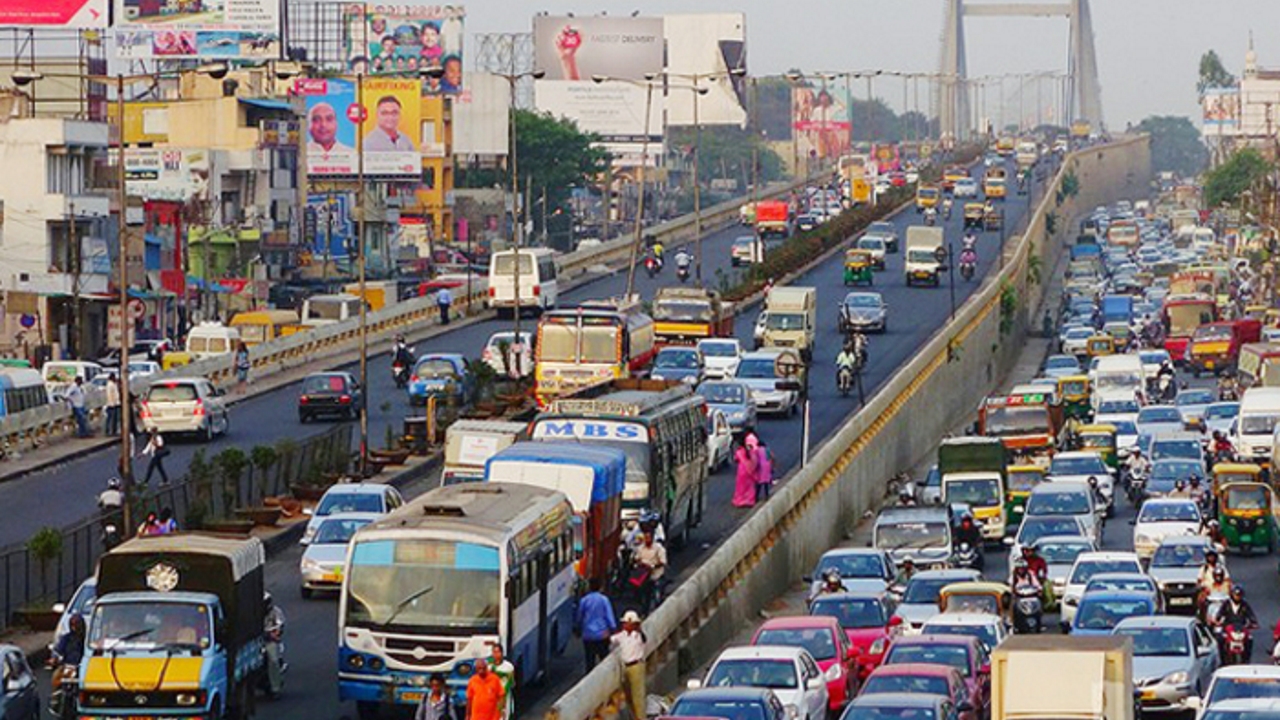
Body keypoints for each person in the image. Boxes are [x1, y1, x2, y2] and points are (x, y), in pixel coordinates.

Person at [575, 577, 617, 672]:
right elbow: (609, 617)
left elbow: (579, 616)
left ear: (589, 587)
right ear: (601, 587)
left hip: (588, 635)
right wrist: (613, 629)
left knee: (589, 661)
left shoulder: (584, 600)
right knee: (604, 661)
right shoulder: (604, 600)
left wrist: (578, 628)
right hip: (602, 635)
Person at [611, 611, 647, 720]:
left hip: (636, 666)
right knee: (628, 696)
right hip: (625, 667)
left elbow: (644, 638)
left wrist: (638, 627)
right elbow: (612, 639)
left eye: (626, 623)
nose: (624, 625)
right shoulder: (622, 636)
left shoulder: (638, 636)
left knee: (638, 696)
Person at [1214, 584, 1259, 660]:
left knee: (1249, 640)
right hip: (1228, 628)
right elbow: (1220, 614)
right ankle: (1222, 659)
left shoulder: (1245, 605)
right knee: (1220, 639)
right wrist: (1217, 621)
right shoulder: (1226, 604)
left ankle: (1246, 659)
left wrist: (1253, 623)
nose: (1237, 597)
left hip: (1241, 628)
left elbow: (1251, 615)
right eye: (1236, 595)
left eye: (1239, 595)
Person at [633, 530, 667, 608]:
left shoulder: (659, 548)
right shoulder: (640, 548)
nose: (647, 540)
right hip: (643, 575)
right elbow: (636, 558)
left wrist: (653, 566)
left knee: (656, 591)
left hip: (655, 574)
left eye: (648, 538)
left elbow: (663, 562)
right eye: (646, 538)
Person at [264, 592, 286, 699]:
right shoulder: (254, 612)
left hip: (270, 640)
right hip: (257, 640)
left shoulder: (275, 611)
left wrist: (274, 633)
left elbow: (279, 626)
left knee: (273, 660)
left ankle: (275, 687)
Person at [487, 644, 515, 720]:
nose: (496, 654)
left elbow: (512, 683)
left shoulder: (509, 666)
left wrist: (503, 692)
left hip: (505, 697)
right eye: (494, 652)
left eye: (498, 652)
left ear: (502, 653)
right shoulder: (488, 666)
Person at [731, 436, 758, 507]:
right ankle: (749, 500)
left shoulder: (739, 451)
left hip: (742, 471)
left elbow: (735, 459)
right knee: (750, 486)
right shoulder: (750, 451)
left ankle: (740, 501)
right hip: (750, 471)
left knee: (741, 487)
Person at [754, 436, 774, 502]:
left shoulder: (757, 451)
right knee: (766, 482)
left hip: (760, 466)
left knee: (759, 482)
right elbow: (772, 457)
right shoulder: (767, 449)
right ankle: (766, 495)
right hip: (767, 466)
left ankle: (756, 497)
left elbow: (755, 459)